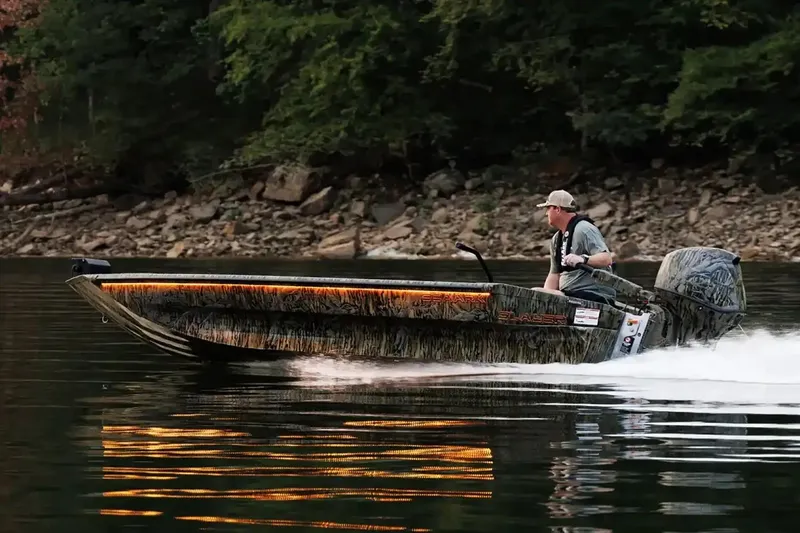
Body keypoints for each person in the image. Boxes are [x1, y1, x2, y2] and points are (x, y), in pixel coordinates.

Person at [534, 190, 616, 305]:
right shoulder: (556, 239)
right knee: (537, 295)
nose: (546, 213)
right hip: (571, 295)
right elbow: (554, 274)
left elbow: (606, 259)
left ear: (557, 209)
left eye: (548, 208)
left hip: (593, 296)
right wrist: (545, 299)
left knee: (535, 292)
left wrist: (583, 259)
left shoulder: (584, 229)